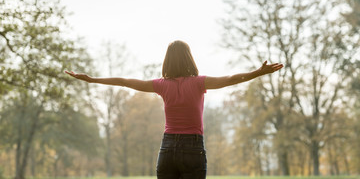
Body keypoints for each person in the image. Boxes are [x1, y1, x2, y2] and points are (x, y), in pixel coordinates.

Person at [65, 40, 283, 178]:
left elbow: (124, 81)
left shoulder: (161, 85)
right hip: (193, 148)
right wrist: (257, 72)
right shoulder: (199, 82)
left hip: (167, 148)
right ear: (190, 58)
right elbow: (230, 79)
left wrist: (92, 80)